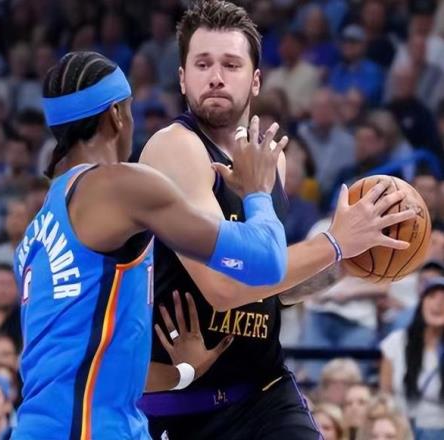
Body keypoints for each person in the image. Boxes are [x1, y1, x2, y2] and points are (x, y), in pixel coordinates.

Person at [138, 1, 414, 439]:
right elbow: (225, 286)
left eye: (231, 64)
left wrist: (346, 262)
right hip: (183, 404)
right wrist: (333, 243)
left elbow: (273, 290)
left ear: (256, 79)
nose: (216, 76)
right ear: (182, 77)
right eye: (203, 64)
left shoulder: (272, 161)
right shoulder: (174, 148)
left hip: (263, 392)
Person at [11, 49, 292, 440]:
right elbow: (265, 260)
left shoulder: (37, 233)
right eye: (130, 110)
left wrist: (185, 373)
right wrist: (258, 192)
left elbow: (93, 365)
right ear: (116, 115)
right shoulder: (120, 186)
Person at [380, 277, 444, 438]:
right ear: (421, 303)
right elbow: (385, 394)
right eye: (432, 297)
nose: (438, 304)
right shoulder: (396, 342)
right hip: (402, 430)